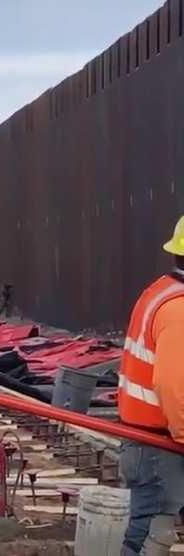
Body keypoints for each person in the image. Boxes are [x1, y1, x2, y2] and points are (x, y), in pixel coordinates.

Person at [119, 216, 184, 555]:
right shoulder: (179, 308)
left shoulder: (161, 290)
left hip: (150, 442)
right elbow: (175, 388)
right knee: (150, 537)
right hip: (159, 444)